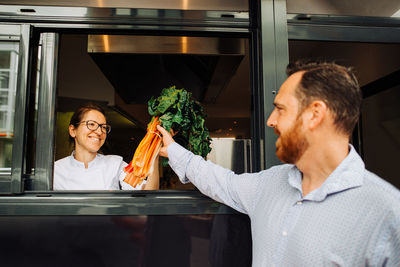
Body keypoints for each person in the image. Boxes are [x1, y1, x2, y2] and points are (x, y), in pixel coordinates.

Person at [156, 61, 400, 266]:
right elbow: (223, 183)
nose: (271, 121)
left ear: (315, 114)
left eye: (280, 109)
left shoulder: (387, 213)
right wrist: (174, 150)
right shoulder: (270, 183)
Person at [54, 103, 159, 190]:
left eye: (103, 127)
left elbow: (147, 192)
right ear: (73, 131)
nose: (99, 131)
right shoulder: (56, 170)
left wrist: (156, 148)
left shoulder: (115, 164)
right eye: (91, 124)